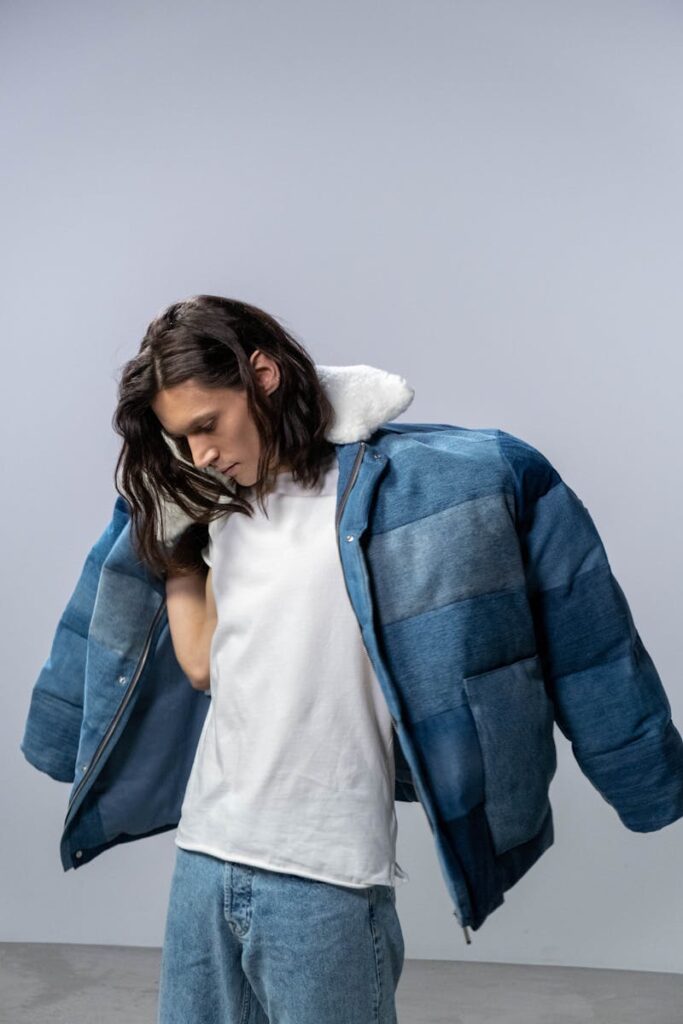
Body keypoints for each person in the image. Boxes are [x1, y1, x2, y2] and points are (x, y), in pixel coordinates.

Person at [20, 293, 683, 1023]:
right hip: (206, 853)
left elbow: (585, 633)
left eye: (207, 424)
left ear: (263, 376)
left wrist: (643, 776)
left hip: (326, 876)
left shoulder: (435, 484)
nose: (200, 451)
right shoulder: (209, 503)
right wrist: (178, 554)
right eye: (183, 438)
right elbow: (206, 664)